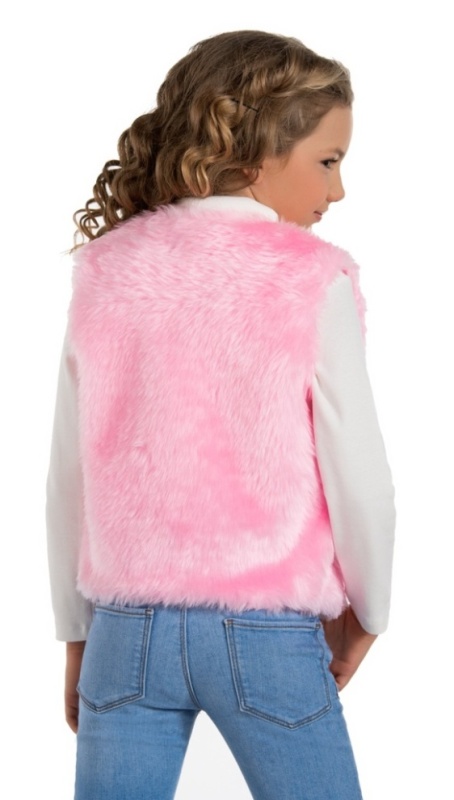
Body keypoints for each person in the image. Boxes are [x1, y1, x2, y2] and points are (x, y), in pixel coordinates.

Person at [46, 30, 395, 800]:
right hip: (266, 631)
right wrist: (368, 610)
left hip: (125, 633)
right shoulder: (315, 280)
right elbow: (361, 478)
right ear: (256, 152)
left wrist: (75, 634)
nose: (337, 190)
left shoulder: (105, 270)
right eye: (328, 161)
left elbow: (69, 476)